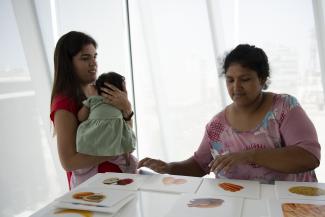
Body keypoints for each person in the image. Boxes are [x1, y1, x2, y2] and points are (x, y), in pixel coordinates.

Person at [138, 44, 321, 184]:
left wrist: (250, 155)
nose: (236, 87)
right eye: (230, 80)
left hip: (288, 206)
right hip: (237, 205)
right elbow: (200, 165)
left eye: (245, 79)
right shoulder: (217, 125)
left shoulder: (284, 107)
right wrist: (169, 167)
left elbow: (308, 157)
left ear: (263, 79)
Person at [50, 31, 135, 189]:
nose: (93, 63)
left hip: (117, 182)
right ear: (68, 63)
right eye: (85, 58)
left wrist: (127, 109)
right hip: (91, 191)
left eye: (94, 56)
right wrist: (114, 151)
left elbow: (123, 133)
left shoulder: (102, 90)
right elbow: (68, 162)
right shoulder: (64, 103)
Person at [76, 71, 137, 173]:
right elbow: (128, 126)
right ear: (121, 91)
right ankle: (127, 162)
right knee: (126, 142)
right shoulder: (120, 105)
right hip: (115, 141)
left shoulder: (93, 100)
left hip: (92, 141)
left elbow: (81, 117)